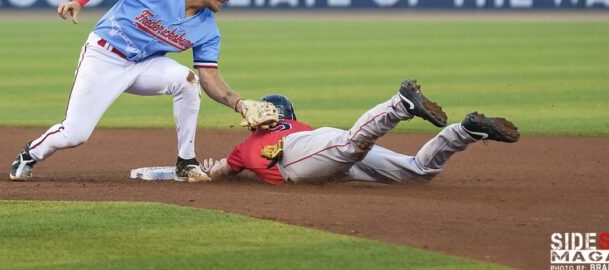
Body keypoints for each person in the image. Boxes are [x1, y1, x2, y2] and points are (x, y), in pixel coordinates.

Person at [9, 0, 278, 183]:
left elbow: (209, 78)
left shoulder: (208, 29)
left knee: (188, 81)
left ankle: (187, 162)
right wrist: (80, 1)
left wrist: (239, 104)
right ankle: (30, 154)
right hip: (104, 55)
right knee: (75, 134)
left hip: (144, 65)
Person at [200, 80, 520, 185]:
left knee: (351, 145)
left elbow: (219, 172)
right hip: (327, 156)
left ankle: (400, 104)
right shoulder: (302, 126)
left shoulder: (245, 147)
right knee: (418, 172)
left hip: (296, 156)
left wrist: (206, 170)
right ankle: (465, 131)